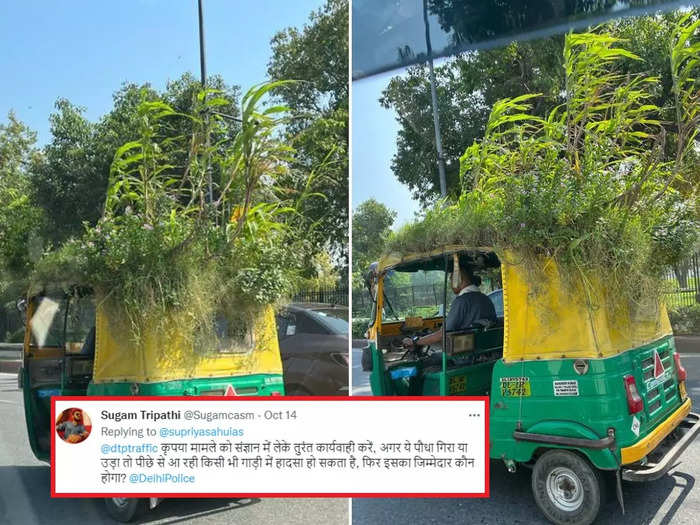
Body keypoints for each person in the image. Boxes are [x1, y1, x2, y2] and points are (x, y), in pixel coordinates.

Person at [403, 259, 497, 350]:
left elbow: (443, 334)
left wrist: (415, 342)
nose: (451, 284)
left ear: (459, 279)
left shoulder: (461, 301)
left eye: (451, 280)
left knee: (429, 359)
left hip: (464, 355)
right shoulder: (486, 298)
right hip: (484, 351)